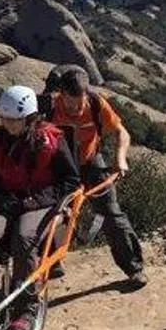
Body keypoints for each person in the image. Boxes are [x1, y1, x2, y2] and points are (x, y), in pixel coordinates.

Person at [0, 85, 80, 330]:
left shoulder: (51, 140)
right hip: (7, 202)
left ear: (29, 118)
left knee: (25, 238)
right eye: (4, 118)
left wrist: (37, 202)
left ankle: (25, 311)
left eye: (14, 120)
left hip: (41, 202)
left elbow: (70, 181)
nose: (8, 124)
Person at [51, 67, 148, 285]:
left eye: (80, 104)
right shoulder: (50, 107)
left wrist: (120, 159)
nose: (76, 110)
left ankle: (133, 268)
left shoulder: (96, 104)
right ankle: (53, 260)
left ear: (86, 94)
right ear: (61, 94)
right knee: (56, 212)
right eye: (70, 104)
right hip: (61, 167)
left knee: (111, 214)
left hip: (91, 162)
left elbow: (122, 132)